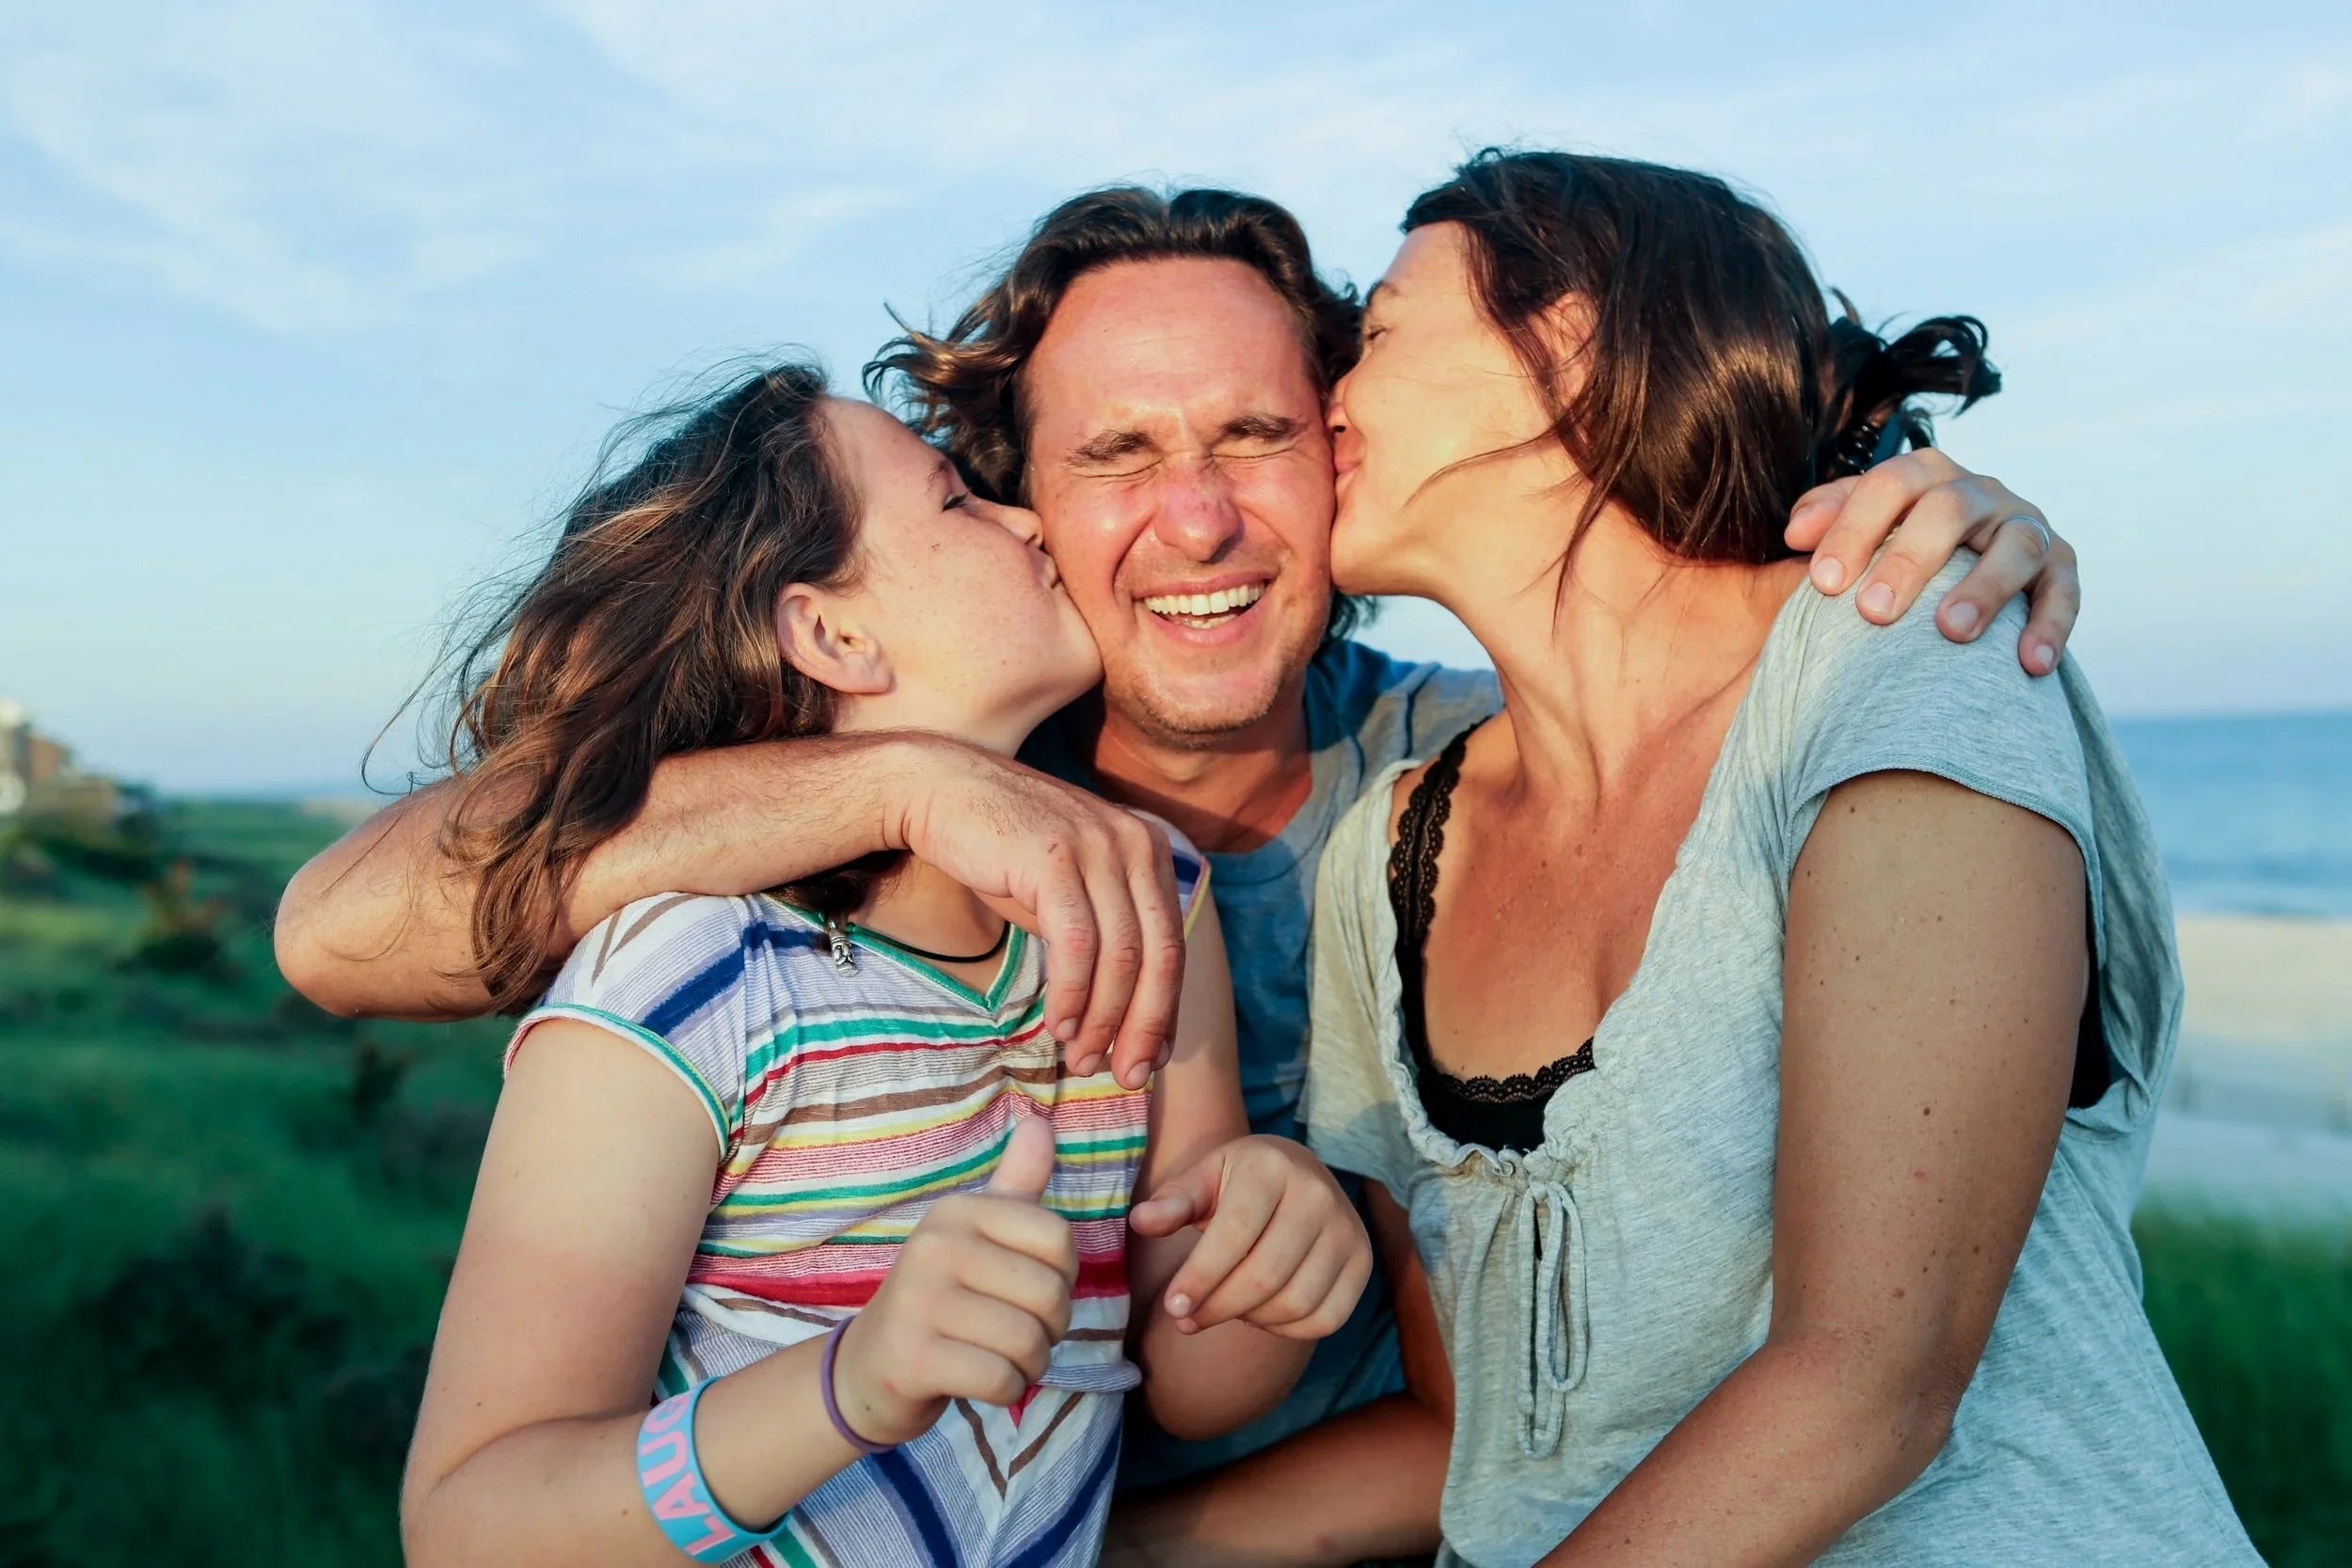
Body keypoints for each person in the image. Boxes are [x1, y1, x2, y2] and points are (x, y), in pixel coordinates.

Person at [279, 187, 2084, 1561]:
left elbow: (1734, 687)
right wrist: (908, 787)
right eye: (1115, 455)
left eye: (1253, 435)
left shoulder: (1475, 773)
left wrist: (1909, 515)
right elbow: (344, 926)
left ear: (1340, 453)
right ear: (1024, 509)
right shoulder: (872, 830)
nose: (1199, 515)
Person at [1300, 150, 2259, 1565]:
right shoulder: (1385, 856)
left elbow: (1873, 1375)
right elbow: (1478, 1425)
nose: (1331, 399)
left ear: (1570, 345)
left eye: (1375, 334)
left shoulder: (1905, 656)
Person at [398, 365, 1371, 1567]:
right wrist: (851, 1384)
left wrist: (1277, 1232)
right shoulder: (695, 974)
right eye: (958, 502)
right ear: (832, 632)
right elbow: (470, 1523)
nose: (1027, 521)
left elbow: (1192, 1378)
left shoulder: (1150, 891)